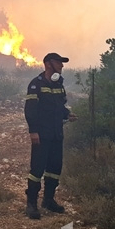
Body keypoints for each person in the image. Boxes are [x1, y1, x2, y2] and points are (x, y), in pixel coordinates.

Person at [23, 52, 77, 219]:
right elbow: (30, 110)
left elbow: (59, 107)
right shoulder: (36, 84)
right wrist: (33, 131)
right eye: (58, 62)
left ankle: (48, 200)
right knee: (37, 169)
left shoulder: (59, 85)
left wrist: (67, 115)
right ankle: (31, 204)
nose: (61, 65)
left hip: (56, 134)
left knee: (54, 168)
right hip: (42, 134)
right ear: (48, 64)